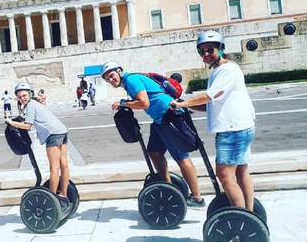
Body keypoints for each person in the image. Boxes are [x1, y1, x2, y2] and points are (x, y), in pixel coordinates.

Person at [101, 61, 205, 208]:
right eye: (107, 79)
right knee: (154, 152)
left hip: (169, 115)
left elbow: (144, 103)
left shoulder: (131, 79)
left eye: (111, 76)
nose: (111, 80)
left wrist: (123, 103)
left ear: (119, 70)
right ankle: (169, 187)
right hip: (159, 120)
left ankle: (197, 198)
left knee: (181, 158)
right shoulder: (129, 81)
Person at [171, 31, 256, 211]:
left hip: (232, 130)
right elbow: (212, 105)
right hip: (239, 126)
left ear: (221, 48)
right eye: (201, 52)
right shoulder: (220, 71)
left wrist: (183, 103)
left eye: (210, 49)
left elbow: (211, 96)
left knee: (225, 176)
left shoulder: (227, 69)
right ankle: (250, 214)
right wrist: (184, 105)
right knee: (241, 173)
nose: (206, 54)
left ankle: (242, 219)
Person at [5, 82, 70, 209]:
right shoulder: (35, 104)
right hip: (62, 130)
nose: (22, 99)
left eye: (24, 95)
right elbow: (30, 120)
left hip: (53, 134)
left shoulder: (30, 106)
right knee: (64, 164)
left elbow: (27, 126)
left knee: (54, 168)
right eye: (19, 97)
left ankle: (52, 199)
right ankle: (63, 194)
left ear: (30, 94)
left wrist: (11, 122)